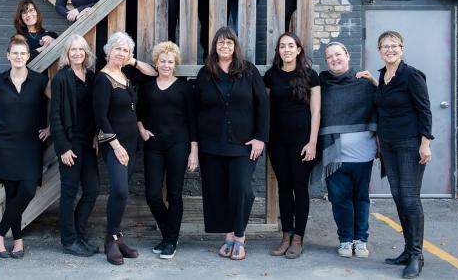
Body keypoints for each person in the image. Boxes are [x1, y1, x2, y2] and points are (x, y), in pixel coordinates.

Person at [194, 27, 268, 261]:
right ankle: (228, 237)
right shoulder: (205, 73)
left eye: (229, 43)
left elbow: (263, 106)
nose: (224, 47)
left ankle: (240, 236)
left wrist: (260, 137)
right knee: (218, 192)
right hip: (212, 144)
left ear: (235, 46)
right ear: (214, 46)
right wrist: (195, 145)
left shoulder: (248, 71)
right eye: (220, 43)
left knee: (242, 189)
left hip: (243, 143)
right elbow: (195, 111)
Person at [0, 35, 50, 259]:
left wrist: (50, 127)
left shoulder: (40, 80)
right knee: (12, 194)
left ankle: (0, 234)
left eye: (23, 53)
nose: (19, 57)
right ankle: (18, 241)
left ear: (28, 56)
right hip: (3, 143)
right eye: (15, 53)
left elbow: (57, 104)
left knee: (28, 190)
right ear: (8, 56)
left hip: (30, 144)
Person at [93, 31, 157, 265]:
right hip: (115, 144)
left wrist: (131, 61)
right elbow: (100, 116)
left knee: (124, 193)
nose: (121, 53)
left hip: (132, 143)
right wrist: (115, 145)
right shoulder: (102, 78)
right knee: (119, 191)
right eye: (118, 49)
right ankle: (110, 240)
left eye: (126, 50)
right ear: (108, 51)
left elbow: (153, 73)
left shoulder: (126, 74)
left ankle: (117, 238)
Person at [373, 30, 433, 279]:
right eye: (385, 46)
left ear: (402, 48)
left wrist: (425, 143)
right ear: (379, 51)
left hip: (410, 143)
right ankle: (408, 251)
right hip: (388, 145)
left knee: (409, 198)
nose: (390, 50)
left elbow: (424, 111)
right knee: (398, 197)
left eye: (394, 46)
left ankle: (417, 255)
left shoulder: (412, 75)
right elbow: (383, 107)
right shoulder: (383, 76)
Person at [314, 42, 378, 258]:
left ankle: (361, 239)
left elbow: (385, 104)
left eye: (338, 54)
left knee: (360, 198)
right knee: (339, 199)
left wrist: (375, 81)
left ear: (348, 55)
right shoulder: (322, 84)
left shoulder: (364, 83)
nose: (334, 59)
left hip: (363, 154)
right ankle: (345, 239)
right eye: (329, 56)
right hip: (334, 154)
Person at [136, 41, 198, 259]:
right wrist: (141, 130)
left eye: (170, 61)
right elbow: (139, 114)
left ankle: (170, 241)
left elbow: (192, 121)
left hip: (178, 146)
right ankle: (170, 234)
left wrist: (194, 151)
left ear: (175, 64)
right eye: (162, 61)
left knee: (174, 194)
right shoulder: (147, 86)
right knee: (153, 195)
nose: (166, 64)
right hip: (153, 146)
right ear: (156, 62)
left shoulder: (184, 87)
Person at [264, 32, 320, 259]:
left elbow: (316, 111)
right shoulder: (271, 76)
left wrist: (313, 142)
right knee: (284, 188)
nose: (286, 50)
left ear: (298, 50)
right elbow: (265, 110)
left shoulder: (310, 76)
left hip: (302, 140)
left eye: (290, 46)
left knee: (300, 188)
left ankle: (298, 238)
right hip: (277, 140)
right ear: (278, 51)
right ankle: (286, 235)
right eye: (282, 46)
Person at [49, 35, 99, 257]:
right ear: (67, 54)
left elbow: (95, 109)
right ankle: (69, 241)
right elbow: (56, 115)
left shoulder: (92, 77)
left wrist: (98, 133)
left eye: (81, 49)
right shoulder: (61, 78)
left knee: (92, 189)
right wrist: (63, 147)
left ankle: (78, 233)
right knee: (69, 192)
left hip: (89, 141)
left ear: (86, 53)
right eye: (73, 50)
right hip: (70, 142)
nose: (77, 53)